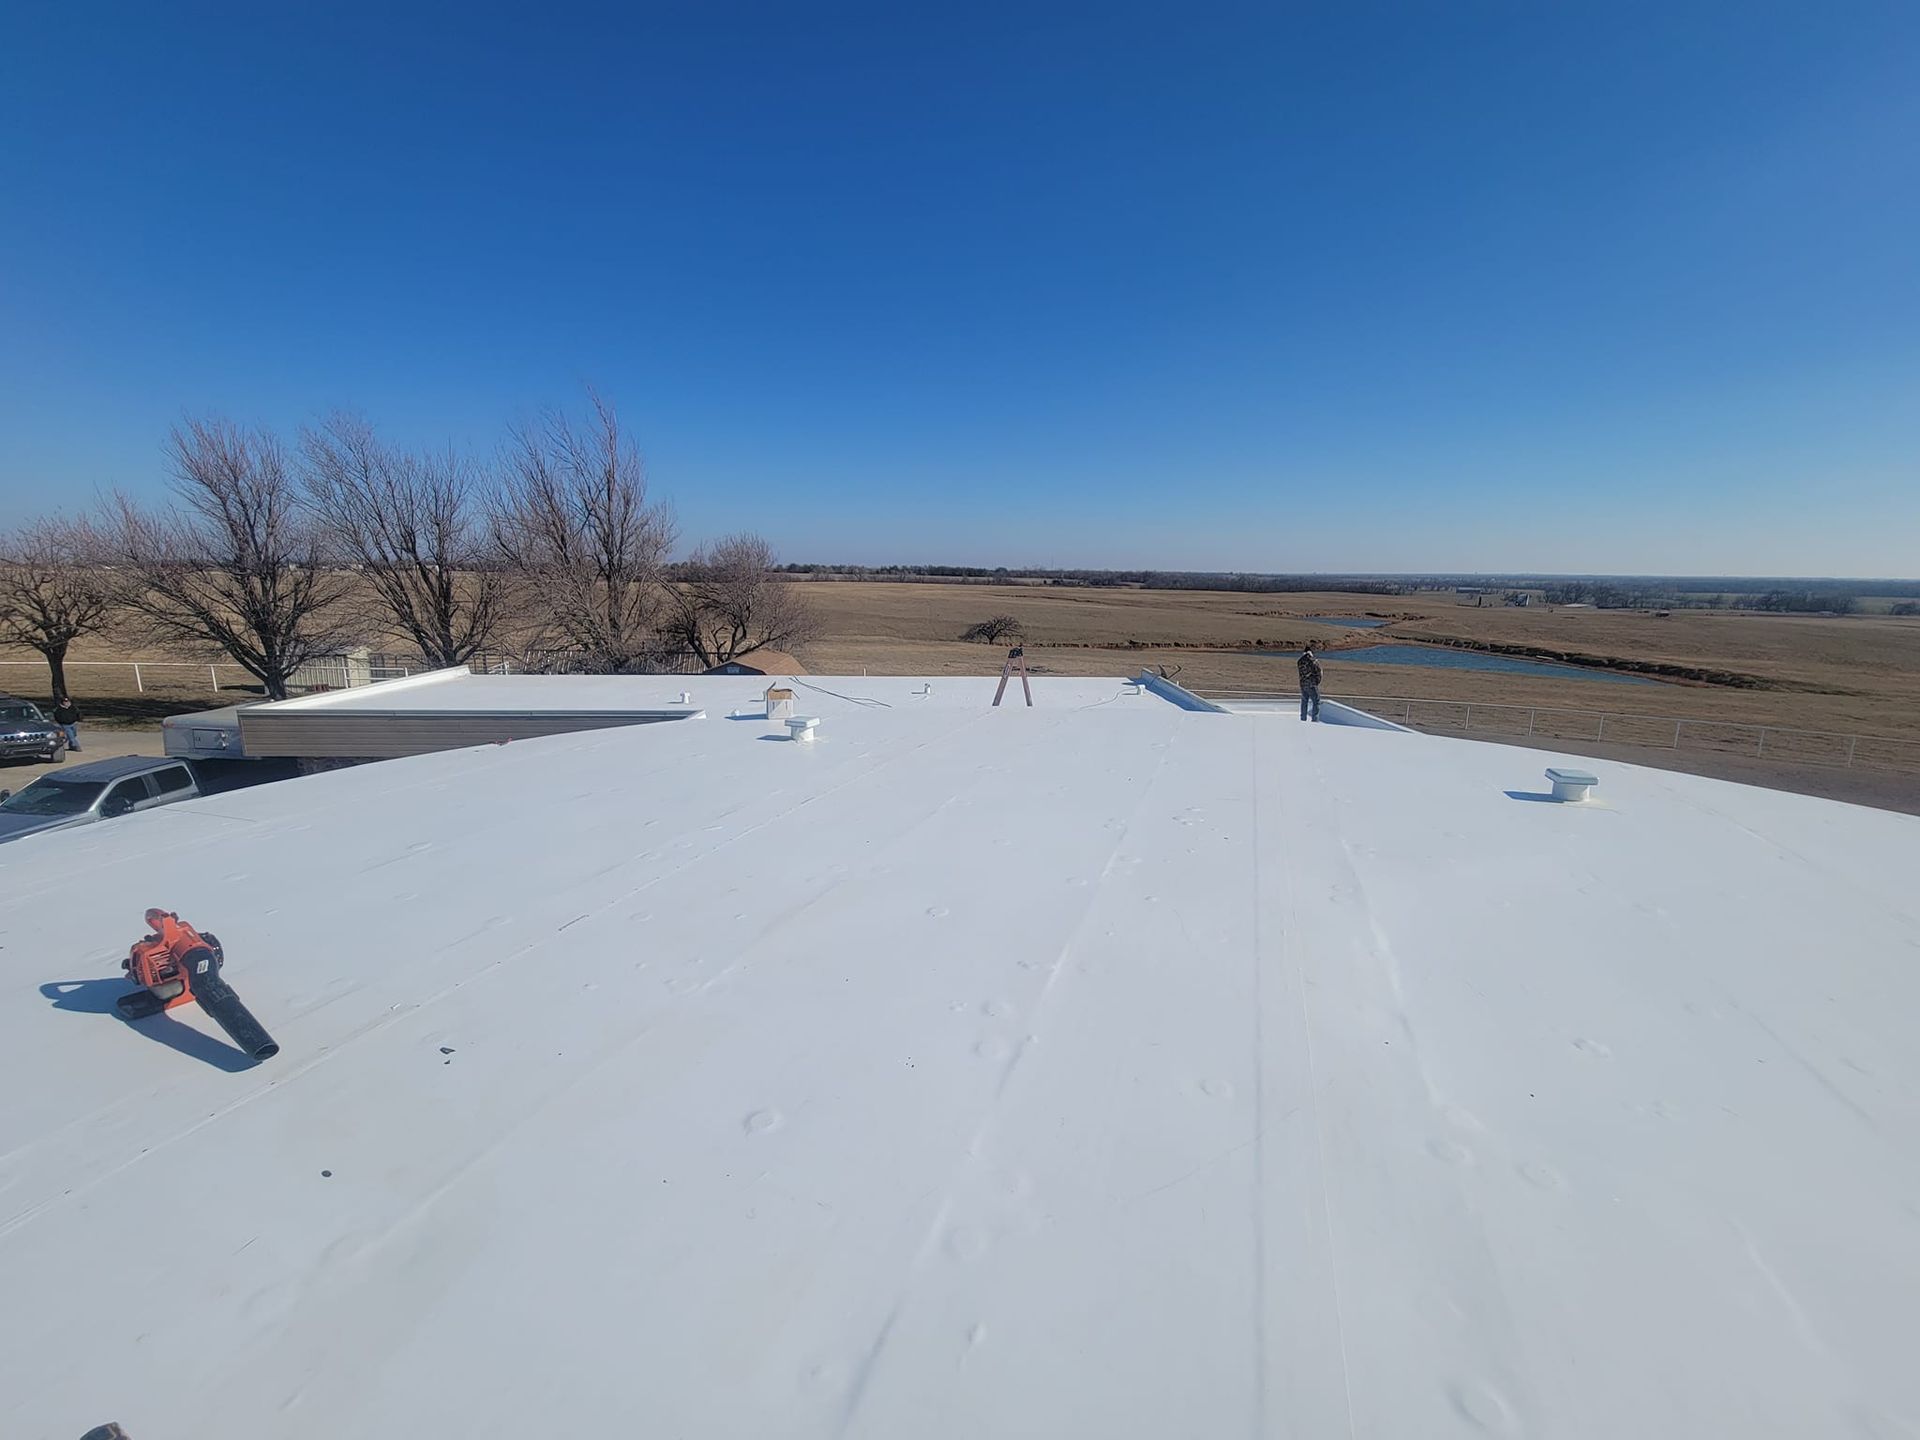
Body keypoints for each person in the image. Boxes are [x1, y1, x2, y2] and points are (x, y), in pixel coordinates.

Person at [1297, 644, 1322, 722]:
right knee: (1316, 701)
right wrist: (1317, 682)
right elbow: (1319, 672)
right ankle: (1315, 719)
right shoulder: (1313, 661)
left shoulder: (1300, 661)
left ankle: (1303, 718)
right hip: (1311, 684)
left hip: (1303, 684)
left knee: (1304, 701)